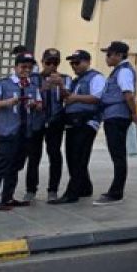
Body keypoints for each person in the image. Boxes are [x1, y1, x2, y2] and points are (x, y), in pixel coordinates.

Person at [0, 54, 41, 211]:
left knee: (15, 166)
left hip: (25, 132)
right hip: (7, 132)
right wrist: (7, 102)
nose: (26, 70)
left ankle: (8, 197)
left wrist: (34, 105)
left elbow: (40, 105)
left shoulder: (33, 86)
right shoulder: (3, 84)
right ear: (15, 67)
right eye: (23, 67)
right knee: (1, 166)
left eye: (29, 67)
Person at [48, 50, 105, 204]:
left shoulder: (96, 77)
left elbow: (97, 97)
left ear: (87, 62)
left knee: (79, 157)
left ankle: (72, 193)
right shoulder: (77, 80)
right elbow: (68, 97)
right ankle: (84, 187)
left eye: (77, 62)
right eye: (72, 63)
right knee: (72, 157)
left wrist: (75, 98)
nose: (74, 66)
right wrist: (60, 85)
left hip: (86, 121)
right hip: (73, 122)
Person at [95, 41, 137, 206]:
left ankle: (116, 193)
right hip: (113, 116)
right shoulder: (119, 71)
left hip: (117, 117)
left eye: (109, 54)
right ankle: (115, 190)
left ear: (119, 55)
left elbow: (128, 95)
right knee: (117, 155)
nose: (107, 58)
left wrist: (135, 113)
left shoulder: (123, 72)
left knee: (118, 156)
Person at [24, 48, 67, 202]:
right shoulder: (33, 78)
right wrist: (44, 88)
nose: (51, 66)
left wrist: (61, 85)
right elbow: (27, 96)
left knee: (54, 154)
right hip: (37, 122)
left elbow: (68, 98)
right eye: (48, 62)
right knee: (34, 156)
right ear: (42, 62)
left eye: (55, 63)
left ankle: (53, 190)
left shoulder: (65, 78)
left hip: (55, 121)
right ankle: (30, 190)